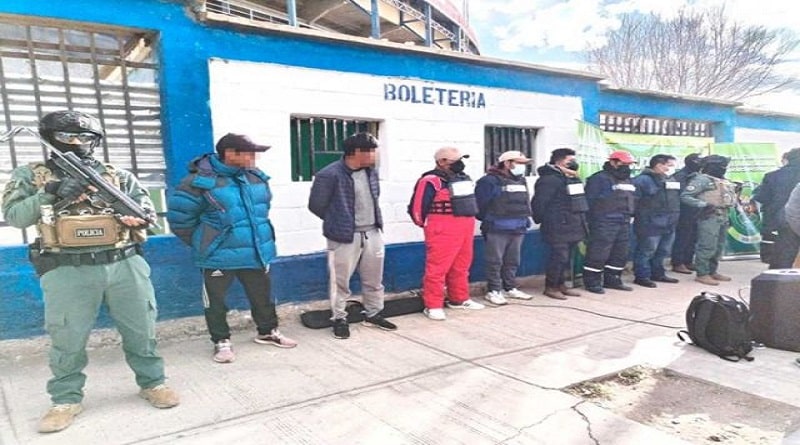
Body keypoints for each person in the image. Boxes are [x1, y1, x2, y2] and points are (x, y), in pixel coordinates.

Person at [1, 110, 179, 433]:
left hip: (124, 262)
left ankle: (153, 382)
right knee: (67, 336)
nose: (77, 142)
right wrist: (51, 192)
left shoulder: (116, 175)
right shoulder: (31, 175)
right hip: (67, 268)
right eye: (68, 137)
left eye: (85, 137)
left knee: (142, 327)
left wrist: (138, 219)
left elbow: (146, 211)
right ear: (51, 138)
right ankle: (65, 399)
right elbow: (15, 216)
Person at [167, 133, 297, 362]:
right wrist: (206, 241)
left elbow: (261, 211)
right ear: (230, 154)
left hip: (255, 251)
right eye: (249, 153)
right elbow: (180, 220)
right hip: (217, 256)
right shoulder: (198, 181)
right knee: (216, 302)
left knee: (262, 296)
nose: (254, 158)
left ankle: (267, 331)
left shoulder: (255, 177)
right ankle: (221, 341)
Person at [308, 132, 397, 339]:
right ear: (355, 152)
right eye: (369, 151)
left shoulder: (371, 172)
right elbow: (316, 205)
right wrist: (338, 220)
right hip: (343, 236)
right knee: (340, 282)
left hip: (373, 232)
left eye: (374, 150)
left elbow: (374, 197)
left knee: (374, 279)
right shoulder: (329, 175)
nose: (374, 155)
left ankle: (373, 313)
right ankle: (339, 318)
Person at [408, 147, 485, 320]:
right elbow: (417, 208)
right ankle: (433, 305)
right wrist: (426, 226)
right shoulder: (430, 181)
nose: (460, 164)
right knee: (437, 269)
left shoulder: (463, 179)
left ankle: (459, 299)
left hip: (465, 227)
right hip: (442, 228)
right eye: (455, 160)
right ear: (441, 161)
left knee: (461, 266)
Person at [475, 150, 534, 305]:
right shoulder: (488, 181)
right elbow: (480, 205)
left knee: (513, 260)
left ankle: (510, 287)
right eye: (519, 163)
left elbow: (526, 201)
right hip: (497, 227)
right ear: (507, 163)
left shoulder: (521, 180)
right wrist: (489, 219)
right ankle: (494, 290)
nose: (522, 166)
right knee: (494, 261)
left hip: (519, 226)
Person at [531, 148, 587, 300]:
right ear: (559, 161)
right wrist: (543, 219)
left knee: (566, 258)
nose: (574, 163)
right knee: (558, 257)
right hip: (557, 225)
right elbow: (539, 203)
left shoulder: (571, 178)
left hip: (573, 224)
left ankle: (561, 284)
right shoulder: (549, 179)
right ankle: (551, 287)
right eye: (570, 161)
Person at [582, 150, 637, 294]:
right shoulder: (599, 179)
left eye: (629, 164)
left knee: (620, 253)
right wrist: (591, 221)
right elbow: (589, 201)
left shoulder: (628, 179)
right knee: (598, 252)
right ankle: (592, 282)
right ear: (613, 162)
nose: (627, 167)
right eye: (624, 164)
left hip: (624, 221)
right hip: (604, 221)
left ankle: (613, 280)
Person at [680, 155, 736, 285]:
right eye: (721, 166)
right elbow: (686, 196)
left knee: (719, 246)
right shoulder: (702, 179)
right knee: (707, 246)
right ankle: (702, 273)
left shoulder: (722, 180)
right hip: (709, 216)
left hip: (723, 214)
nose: (724, 168)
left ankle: (712, 271)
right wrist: (703, 205)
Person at [631, 154, 681, 287]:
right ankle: (642, 276)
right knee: (646, 251)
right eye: (669, 165)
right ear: (659, 165)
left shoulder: (670, 179)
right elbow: (634, 202)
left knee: (663, 251)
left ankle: (658, 273)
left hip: (669, 222)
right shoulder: (642, 180)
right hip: (650, 223)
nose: (672, 168)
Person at [752, 147, 800, 269]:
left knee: (783, 254)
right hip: (795, 217)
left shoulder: (772, 176)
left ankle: (778, 277)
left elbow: (763, 197)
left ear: (788, 159)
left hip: (779, 219)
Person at [670, 153, 704, 274]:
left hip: (696, 211)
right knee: (682, 238)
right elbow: (682, 195)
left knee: (693, 238)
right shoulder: (681, 176)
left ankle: (688, 261)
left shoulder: (698, 175)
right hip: (684, 212)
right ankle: (678, 263)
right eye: (698, 162)